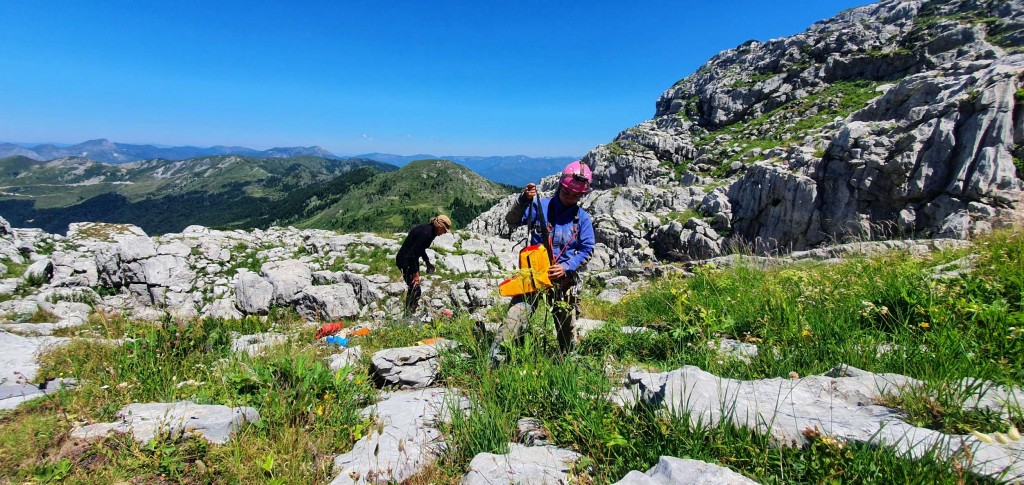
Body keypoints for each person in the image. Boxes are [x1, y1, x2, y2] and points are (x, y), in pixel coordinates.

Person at [494, 160, 595, 357]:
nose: (570, 198)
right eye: (567, 193)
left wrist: (566, 267)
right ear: (560, 185)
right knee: (514, 319)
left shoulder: (581, 218)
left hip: (562, 279)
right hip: (533, 275)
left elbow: (587, 249)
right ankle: (494, 361)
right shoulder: (540, 206)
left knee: (566, 327)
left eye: (576, 196)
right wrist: (523, 200)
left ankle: (567, 362)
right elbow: (512, 221)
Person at [395, 214, 451, 316]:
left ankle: (408, 312)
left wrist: (427, 262)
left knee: (413, 287)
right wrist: (415, 273)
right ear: (439, 226)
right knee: (416, 290)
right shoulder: (427, 233)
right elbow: (412, 254)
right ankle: (408, 315)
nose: (443, 233)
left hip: (410, 259)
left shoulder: (430, 231)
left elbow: (420, 248)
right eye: (444, 230)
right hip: (405, 261)